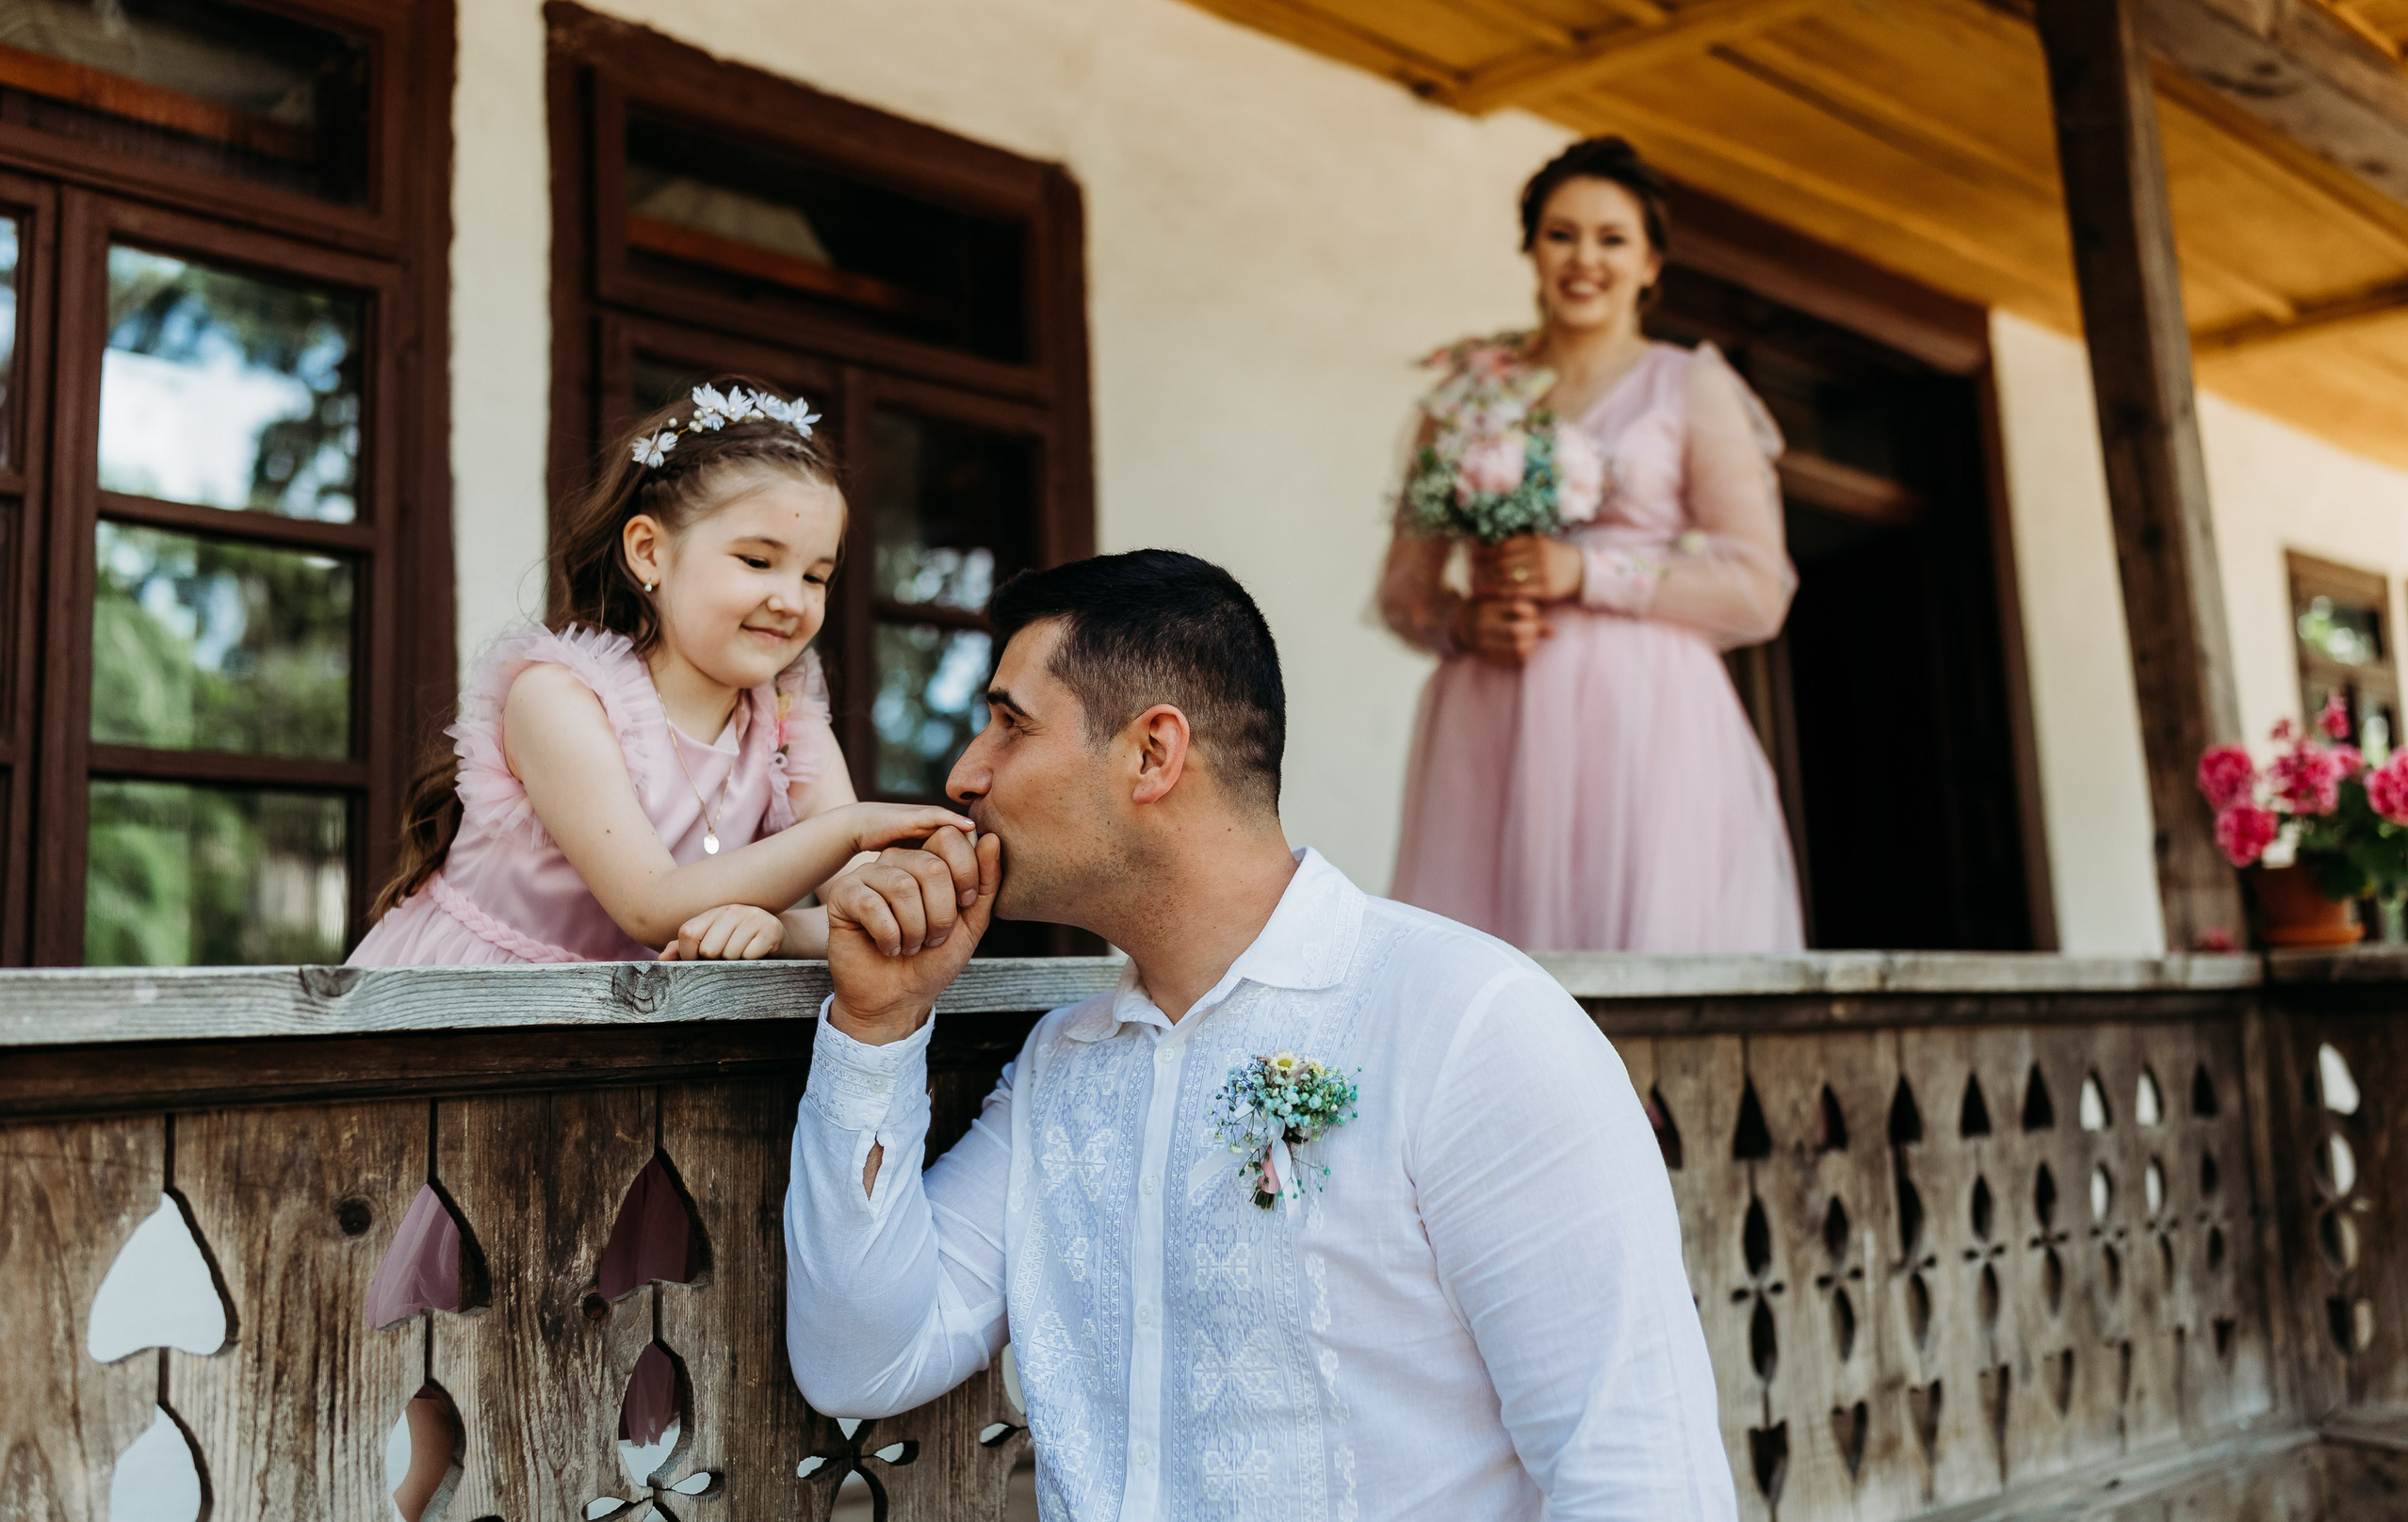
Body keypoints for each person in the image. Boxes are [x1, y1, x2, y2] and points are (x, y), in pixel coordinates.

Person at [785, 549, 1736, 1519]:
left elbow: (1636, 1474)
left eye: (1008, 725)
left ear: (1152, 754)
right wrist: (877, 1027)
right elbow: (860, 1359)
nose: (964, 774)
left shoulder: (1470, 1026)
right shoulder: (1059, 1070)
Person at [348, 379, 971, 966]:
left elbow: (869, 910)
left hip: (636, 1028)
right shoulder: (559, 697)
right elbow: (651, 905)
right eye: (757, 560)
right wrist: (853, 827)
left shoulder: (785, 715)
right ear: (649, 550)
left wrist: (780, 929)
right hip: (468, 1008)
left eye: (815, 576)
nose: (792, 599)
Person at [1377, 136, 1803, 953]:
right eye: (1562, 234)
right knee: (1483, 963)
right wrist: (1464, 626)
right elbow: (1406, 590)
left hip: (1644, 711)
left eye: (1613, 239)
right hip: (1491, 707)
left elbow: (1757, 585)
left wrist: (1588, 570)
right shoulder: (1469, 398)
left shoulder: (1691, 386)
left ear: (1651, 264)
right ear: (1531, 249)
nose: (1585, 259)